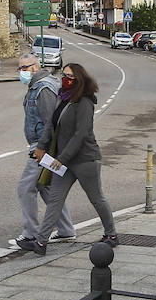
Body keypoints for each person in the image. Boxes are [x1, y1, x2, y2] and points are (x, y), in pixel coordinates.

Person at [18, 62, 118, 255]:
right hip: (64, 162)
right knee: (55, 199)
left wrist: (61, 159)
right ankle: (40, 242)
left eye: (71, 77)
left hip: (85, 160)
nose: (66, 79)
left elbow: (81, 134)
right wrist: (41, 147)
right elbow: (50, 126)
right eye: (64, 75)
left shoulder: (85, 102)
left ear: (80, 80)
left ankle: (111, 234)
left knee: (96, 198)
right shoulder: (62, 98)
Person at [12, 54, 75, 249]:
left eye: (25, 67)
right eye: (20, 68)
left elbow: (52, 122)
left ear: (36, 67)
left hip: (42, 146)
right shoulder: (37, 86)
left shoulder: (44, 88)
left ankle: (31, 234)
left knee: (25, 187)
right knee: (45, 186)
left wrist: (42, 149)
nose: (22, 71)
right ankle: (65, 229)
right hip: (43, 145)